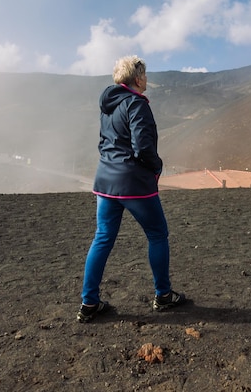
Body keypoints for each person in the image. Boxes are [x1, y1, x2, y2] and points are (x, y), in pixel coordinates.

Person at [77, 55, 186, 323]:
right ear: (137, 78)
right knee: (158, 234)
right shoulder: (137, 104)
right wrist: (157, 166)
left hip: (105, 183)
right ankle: (163, 296)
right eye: (145, 75)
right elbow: (143, 148)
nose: (147, 79)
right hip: (134, 184)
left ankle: (89, 303)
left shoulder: (108, 106)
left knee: (102, 238)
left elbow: (103, 144)